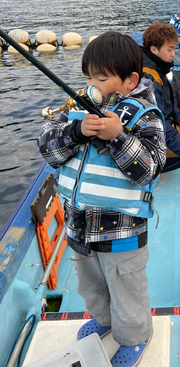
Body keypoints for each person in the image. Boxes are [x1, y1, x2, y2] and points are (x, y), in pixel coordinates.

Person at [37, 32, 166, 367]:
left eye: (102, 77)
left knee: (126, 291)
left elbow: (149, 169)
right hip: (78, 227)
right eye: (88, 76)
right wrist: (75, 132)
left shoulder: (145, 115)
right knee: (91, 285)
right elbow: (47, 150)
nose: (91, 84)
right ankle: (105, 320)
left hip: (122, 232)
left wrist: (118, 137)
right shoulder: (78, 108)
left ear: (130, 80)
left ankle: (136, 335)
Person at [142, 22, 180, 172]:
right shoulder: (149, 78)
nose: (173, 54)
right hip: (148, 135)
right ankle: (152, 165)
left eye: (174, 49)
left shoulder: (156, 67)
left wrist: (179, 119)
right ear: (154, 50)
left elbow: (167, 101)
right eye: (170, 49)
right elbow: (158, 123)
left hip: (160, 127)